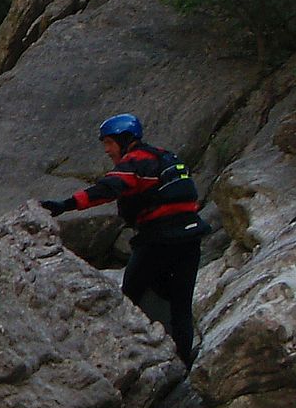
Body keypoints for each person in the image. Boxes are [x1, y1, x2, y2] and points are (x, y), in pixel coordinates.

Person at [40, 114, 210, 366]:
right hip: (190, 237)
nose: (107, 150)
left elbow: (108, 189)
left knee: (129, 298)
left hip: (159, 240)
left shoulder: (136, 161)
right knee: (181, 304)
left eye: (109, 143)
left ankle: (126, 359)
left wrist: (64, 205)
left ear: (124, 140)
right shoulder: (166, 157)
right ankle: (184, 361)